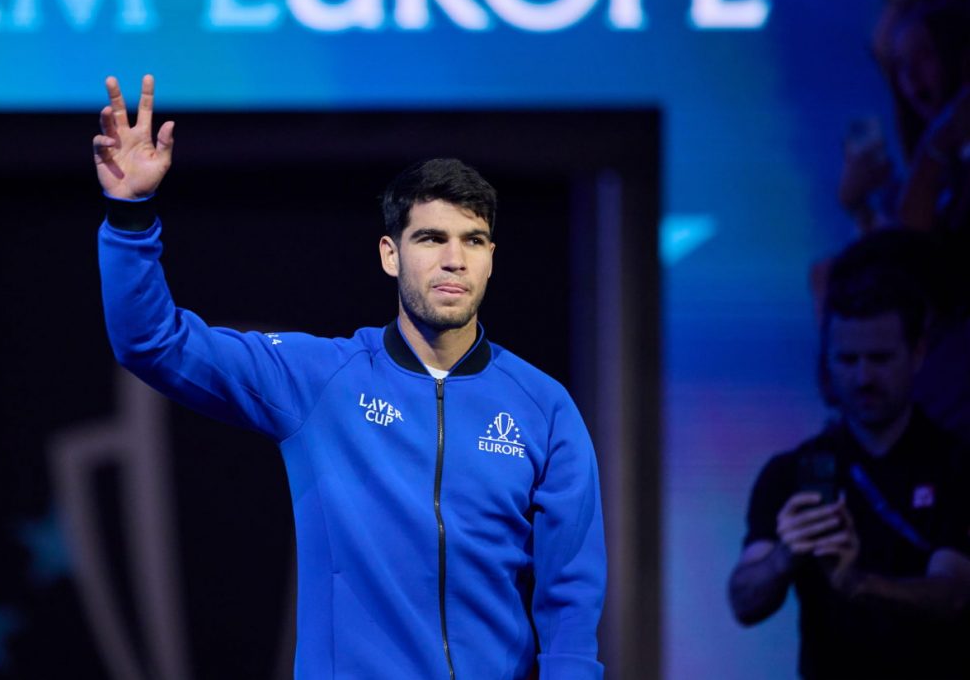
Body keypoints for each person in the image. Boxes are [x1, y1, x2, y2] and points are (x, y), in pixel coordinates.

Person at [94, 75, 606, 680]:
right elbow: (153, 343)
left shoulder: (543, 408)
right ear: (391, 254)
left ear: (492, 257)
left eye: (474, 240)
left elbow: (570, 592)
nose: (453, 259)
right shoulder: (319, 380)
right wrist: (130, 216)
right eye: (431, 238)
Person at [728, 243, 970, 679]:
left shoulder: (956, 465)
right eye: (847, 359)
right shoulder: (791, 472)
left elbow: (954, 592)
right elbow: (743, 601)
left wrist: (858, 584)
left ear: (917, 354)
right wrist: (785, 558)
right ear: (828, 360)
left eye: (880, 359)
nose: (863, 377)